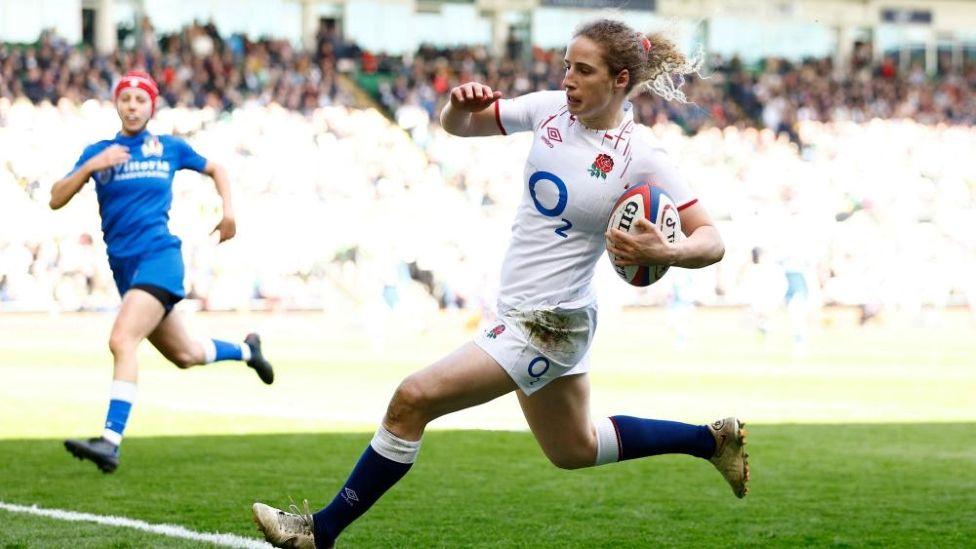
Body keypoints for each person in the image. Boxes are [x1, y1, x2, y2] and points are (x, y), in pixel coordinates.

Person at [252, 20, 747, 548]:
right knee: (574, 448)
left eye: (583, 70)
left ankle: (319, 531)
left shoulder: (641, 156)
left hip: (550, 321)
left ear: (620, 79)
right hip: (522, 308)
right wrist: (457, 107)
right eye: (566, 66)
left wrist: (667, 251)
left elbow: (712, 240)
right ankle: (711, 440)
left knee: (412, 399)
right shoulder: (548, 111)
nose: (568, 80)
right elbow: (460, 127)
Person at [49, 71, 274, 473]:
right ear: (116, 104)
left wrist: (229, 213)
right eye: (126, 99)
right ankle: (247, 350)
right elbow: (55, 198)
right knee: (186, 354)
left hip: (160, 259)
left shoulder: (168, 148)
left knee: (122, 340)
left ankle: (110, 442)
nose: (133, 106)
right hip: (126, 269)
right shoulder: (98, 151)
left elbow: (217, 168)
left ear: (152, 106)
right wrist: (91, 167)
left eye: (141, 99)